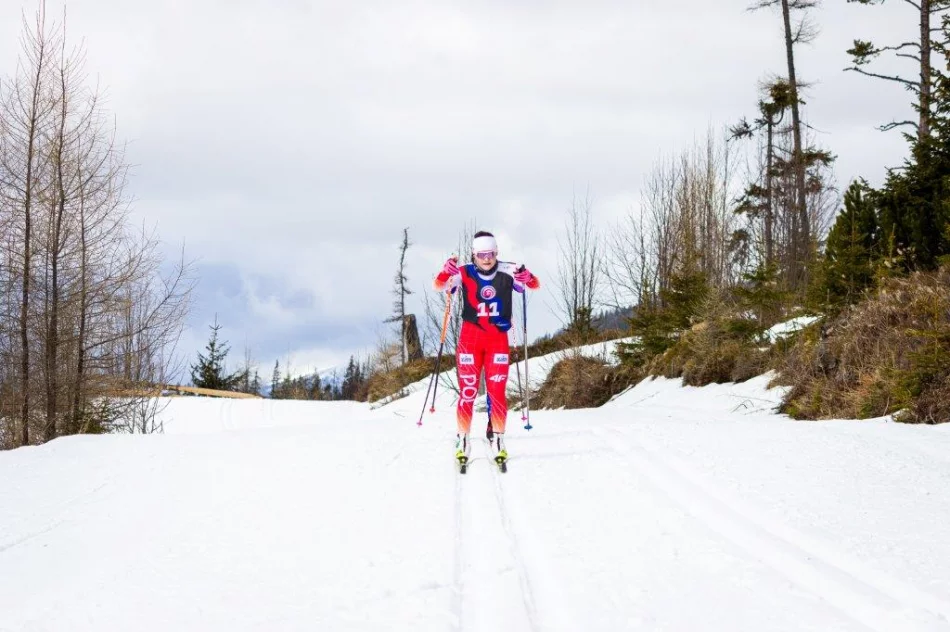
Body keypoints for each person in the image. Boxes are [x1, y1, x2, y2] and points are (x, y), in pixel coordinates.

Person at [433, 231, 540, 466]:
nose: (486, 259)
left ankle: (498, 440)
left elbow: (534, 284)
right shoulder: (464, 272)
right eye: (481, 255)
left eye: (490, 254)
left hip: (497, 341)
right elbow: (439, 285)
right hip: (470, 340)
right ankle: (463, 439)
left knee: (497, 392)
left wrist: (527, 275)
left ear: (496, 253)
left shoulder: (508, 270)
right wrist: (445, 271)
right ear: (474, 255)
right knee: (468, 391)